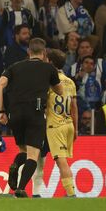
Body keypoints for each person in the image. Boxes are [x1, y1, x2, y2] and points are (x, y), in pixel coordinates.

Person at [0, 38, 65, 198]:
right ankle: (20, 188)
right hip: (35, 113)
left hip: (15, 113)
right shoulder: (48, 68)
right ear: (44, 53)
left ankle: (16, 164)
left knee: (23, 150)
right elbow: (60, 91)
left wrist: (1, 110)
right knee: (33, 155)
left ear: (28, 52)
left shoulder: (14, 67)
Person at [42, 49, 79, 197]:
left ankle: (71, 193)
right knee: (62, 160)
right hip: (68, 124)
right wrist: (76, 128)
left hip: (55, 125)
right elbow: (74, 107)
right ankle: (70, 192)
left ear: (50, 62)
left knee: (61, 161)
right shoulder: (70, 81)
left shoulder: (48, 80)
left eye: (46, 59)